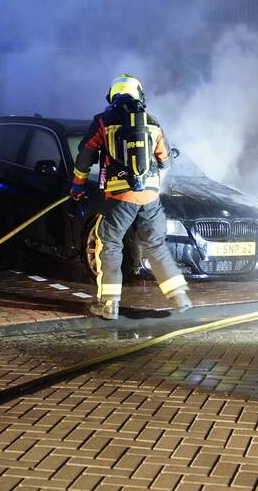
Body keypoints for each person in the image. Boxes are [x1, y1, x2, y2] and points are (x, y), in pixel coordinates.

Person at [71, 74, 192, 320]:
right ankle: (179, 295)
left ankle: (108, 304)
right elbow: (165, 161)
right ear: (139, 95)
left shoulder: (103, 121)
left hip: (120, 197)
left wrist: (78, 185)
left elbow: (85, 155)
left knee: (109, 243)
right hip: (150, 197)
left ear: (113, 96)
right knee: (155, 244)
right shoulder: (153, 121)